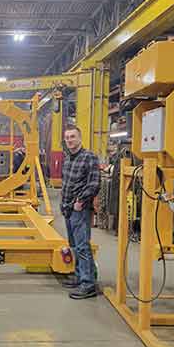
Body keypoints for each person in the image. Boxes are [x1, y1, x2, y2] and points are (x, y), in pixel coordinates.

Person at [60, 125, 101, 300]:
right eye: (67, 137)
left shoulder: (89, 157)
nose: (69, 140)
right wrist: (64, 204)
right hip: (68, 208)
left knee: (83, 246)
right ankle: (80, 276)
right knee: (75, 245)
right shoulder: (68, 158)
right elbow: (66, 184)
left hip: (79, 209)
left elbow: (94, 183)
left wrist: (81, 201)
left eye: (72, 137)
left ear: (80, 138)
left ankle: (88, 284)